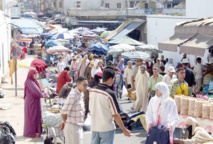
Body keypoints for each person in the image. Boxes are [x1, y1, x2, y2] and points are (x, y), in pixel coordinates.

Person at [89, 68, 132, 144]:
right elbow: (116, 115)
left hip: (94, 126)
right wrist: (124, 130)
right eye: (113, 79)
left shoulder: (92, 90)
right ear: (110, 79)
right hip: (106, 128)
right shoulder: (110, 94)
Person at [60, 76, 88, 144]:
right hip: (72, 127)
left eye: (87, 85)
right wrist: (66, 122)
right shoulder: (73, 95)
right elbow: (64, 112)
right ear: (78, 84)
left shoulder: (80, 94)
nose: (86, 87)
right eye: (84, 85)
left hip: (78, 126)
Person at [24, 69, 46, 138]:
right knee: (32, 117)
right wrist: (44, 94)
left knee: (34, 116)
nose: (36, 75)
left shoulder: (32, 81)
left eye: (36, 74)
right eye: (35, 74)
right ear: (31, 74)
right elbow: (36, 92)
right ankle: (32, 133)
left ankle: (35, 131)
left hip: (32, 101)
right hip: (32, 103)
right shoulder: (30, 82)